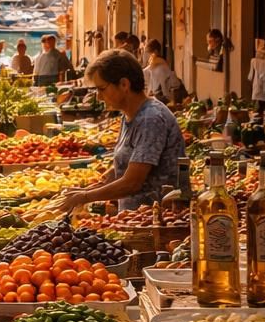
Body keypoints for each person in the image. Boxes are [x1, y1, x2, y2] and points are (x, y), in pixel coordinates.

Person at [57, 49, 187, 214]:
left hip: (157, 224)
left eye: (101, 89)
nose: (99, 97)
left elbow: (133, 182)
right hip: (135, 220)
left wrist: (85, 196)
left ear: (124, 84)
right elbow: (134, 163)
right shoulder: (130, 116)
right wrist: (110, 175)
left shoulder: (150, 119)